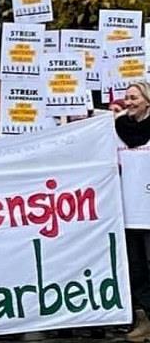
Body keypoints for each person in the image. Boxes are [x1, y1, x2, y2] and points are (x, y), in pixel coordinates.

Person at [115, 82, 150, 342]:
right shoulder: (116, 128)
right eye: (127, 97)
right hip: (127, 212)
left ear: (147, 101)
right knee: (136, 269)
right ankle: (145, 319)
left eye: (134, 97)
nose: (129, 102)